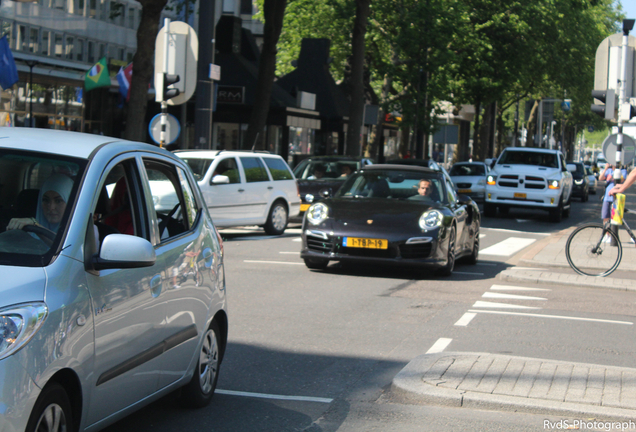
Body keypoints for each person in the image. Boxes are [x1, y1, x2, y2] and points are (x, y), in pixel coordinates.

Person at [7, 174, 73, 233]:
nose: (51, 207)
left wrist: (36, 226)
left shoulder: (80, 235)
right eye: (46, 200)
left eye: (58, 201)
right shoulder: (25, 234)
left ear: (69, 202)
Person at [600, 164, 627, 242]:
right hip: (607, 197)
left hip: (617, 198)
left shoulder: (623, 171)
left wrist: (615, 172)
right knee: (605, 216)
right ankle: (606, 234)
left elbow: (622, 180)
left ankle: (613, 236)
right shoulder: (608, 171)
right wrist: (605, 169)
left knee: (615, 218)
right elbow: (601, 178)